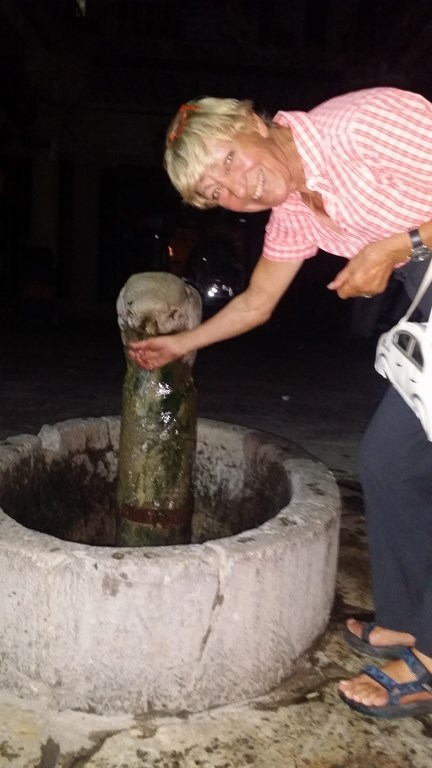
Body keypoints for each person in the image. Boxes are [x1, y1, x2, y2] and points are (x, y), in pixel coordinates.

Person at [129, 89, 432, 719]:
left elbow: (405, 240)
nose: (237, 191)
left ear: (250, 121)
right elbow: (257, 302)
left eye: (229, 162)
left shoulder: (360, 125)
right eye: (218, 193)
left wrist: (394, 247)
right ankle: (408, 620)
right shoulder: (295, 209)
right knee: (387, 460)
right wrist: (178, 344)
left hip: (418, 266)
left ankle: (429, 661)